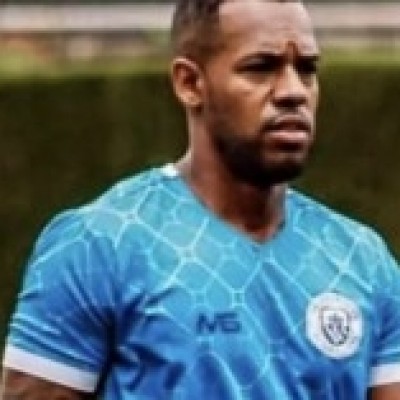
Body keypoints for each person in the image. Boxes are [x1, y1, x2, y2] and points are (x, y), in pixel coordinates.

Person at [1, 0, 400, 398]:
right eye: (260, 67)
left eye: (307, 69)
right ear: (190, 83)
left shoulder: (362, 259)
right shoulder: (101, 243)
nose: (294, 91)